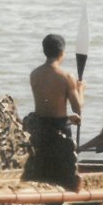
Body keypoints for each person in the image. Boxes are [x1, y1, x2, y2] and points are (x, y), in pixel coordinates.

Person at [24, 34, 85, 189]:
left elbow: (49, 104)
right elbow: (78, 107)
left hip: (39, 125)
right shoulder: (66, 76)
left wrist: (69, 118)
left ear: (44, 51)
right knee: (64, 170)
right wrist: (81, 90)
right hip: (59, 128)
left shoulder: (35, 74)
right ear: (62, 53)